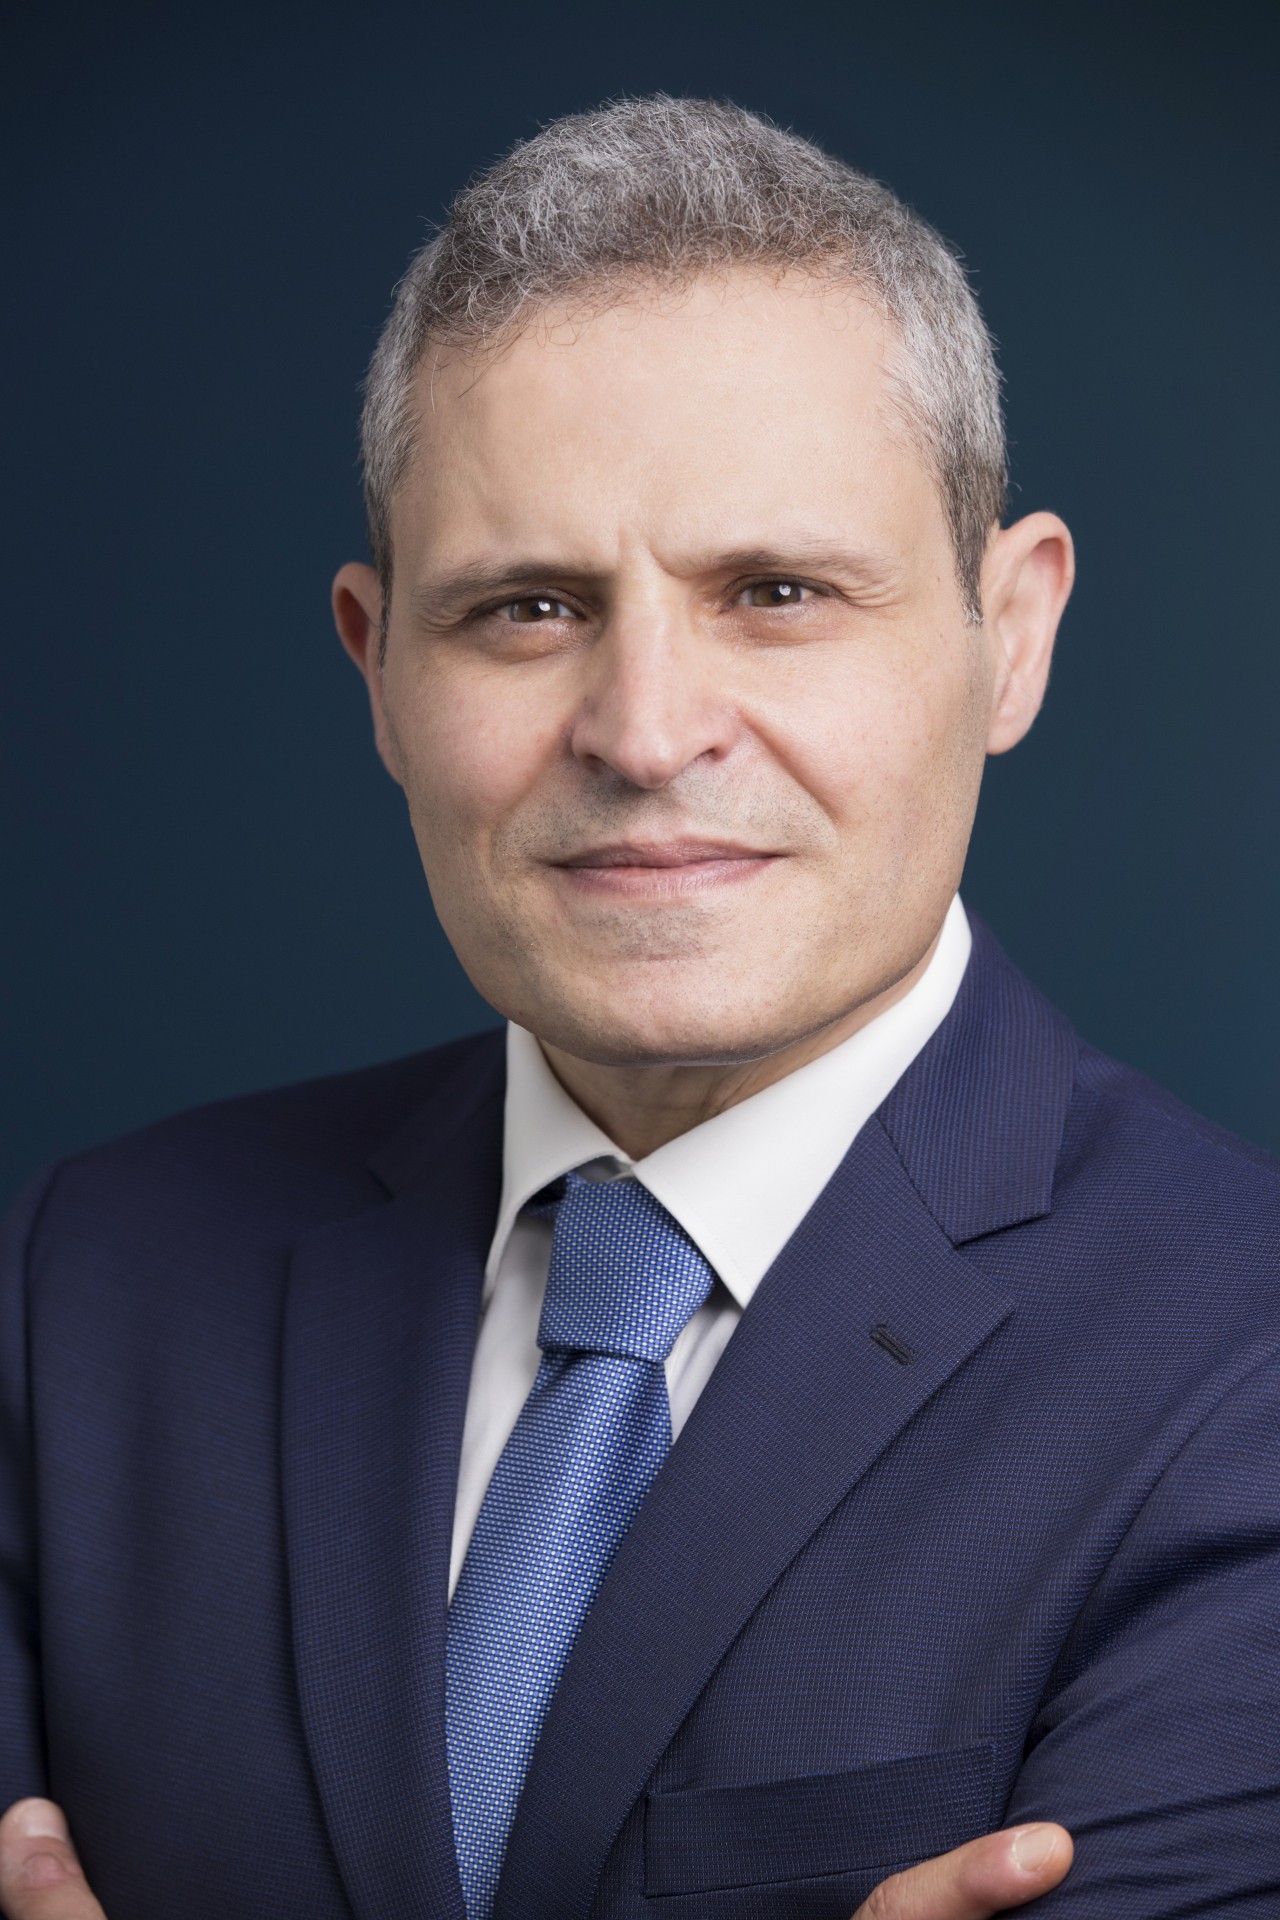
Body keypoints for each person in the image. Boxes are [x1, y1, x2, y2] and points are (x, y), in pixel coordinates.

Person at [2, 93, 1278, 1920]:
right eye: (527, 609)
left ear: (1013, 636)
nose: (646, 731)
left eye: (777, 592)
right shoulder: (85, 1284)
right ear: (377, 670)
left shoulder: (1245, 1367)